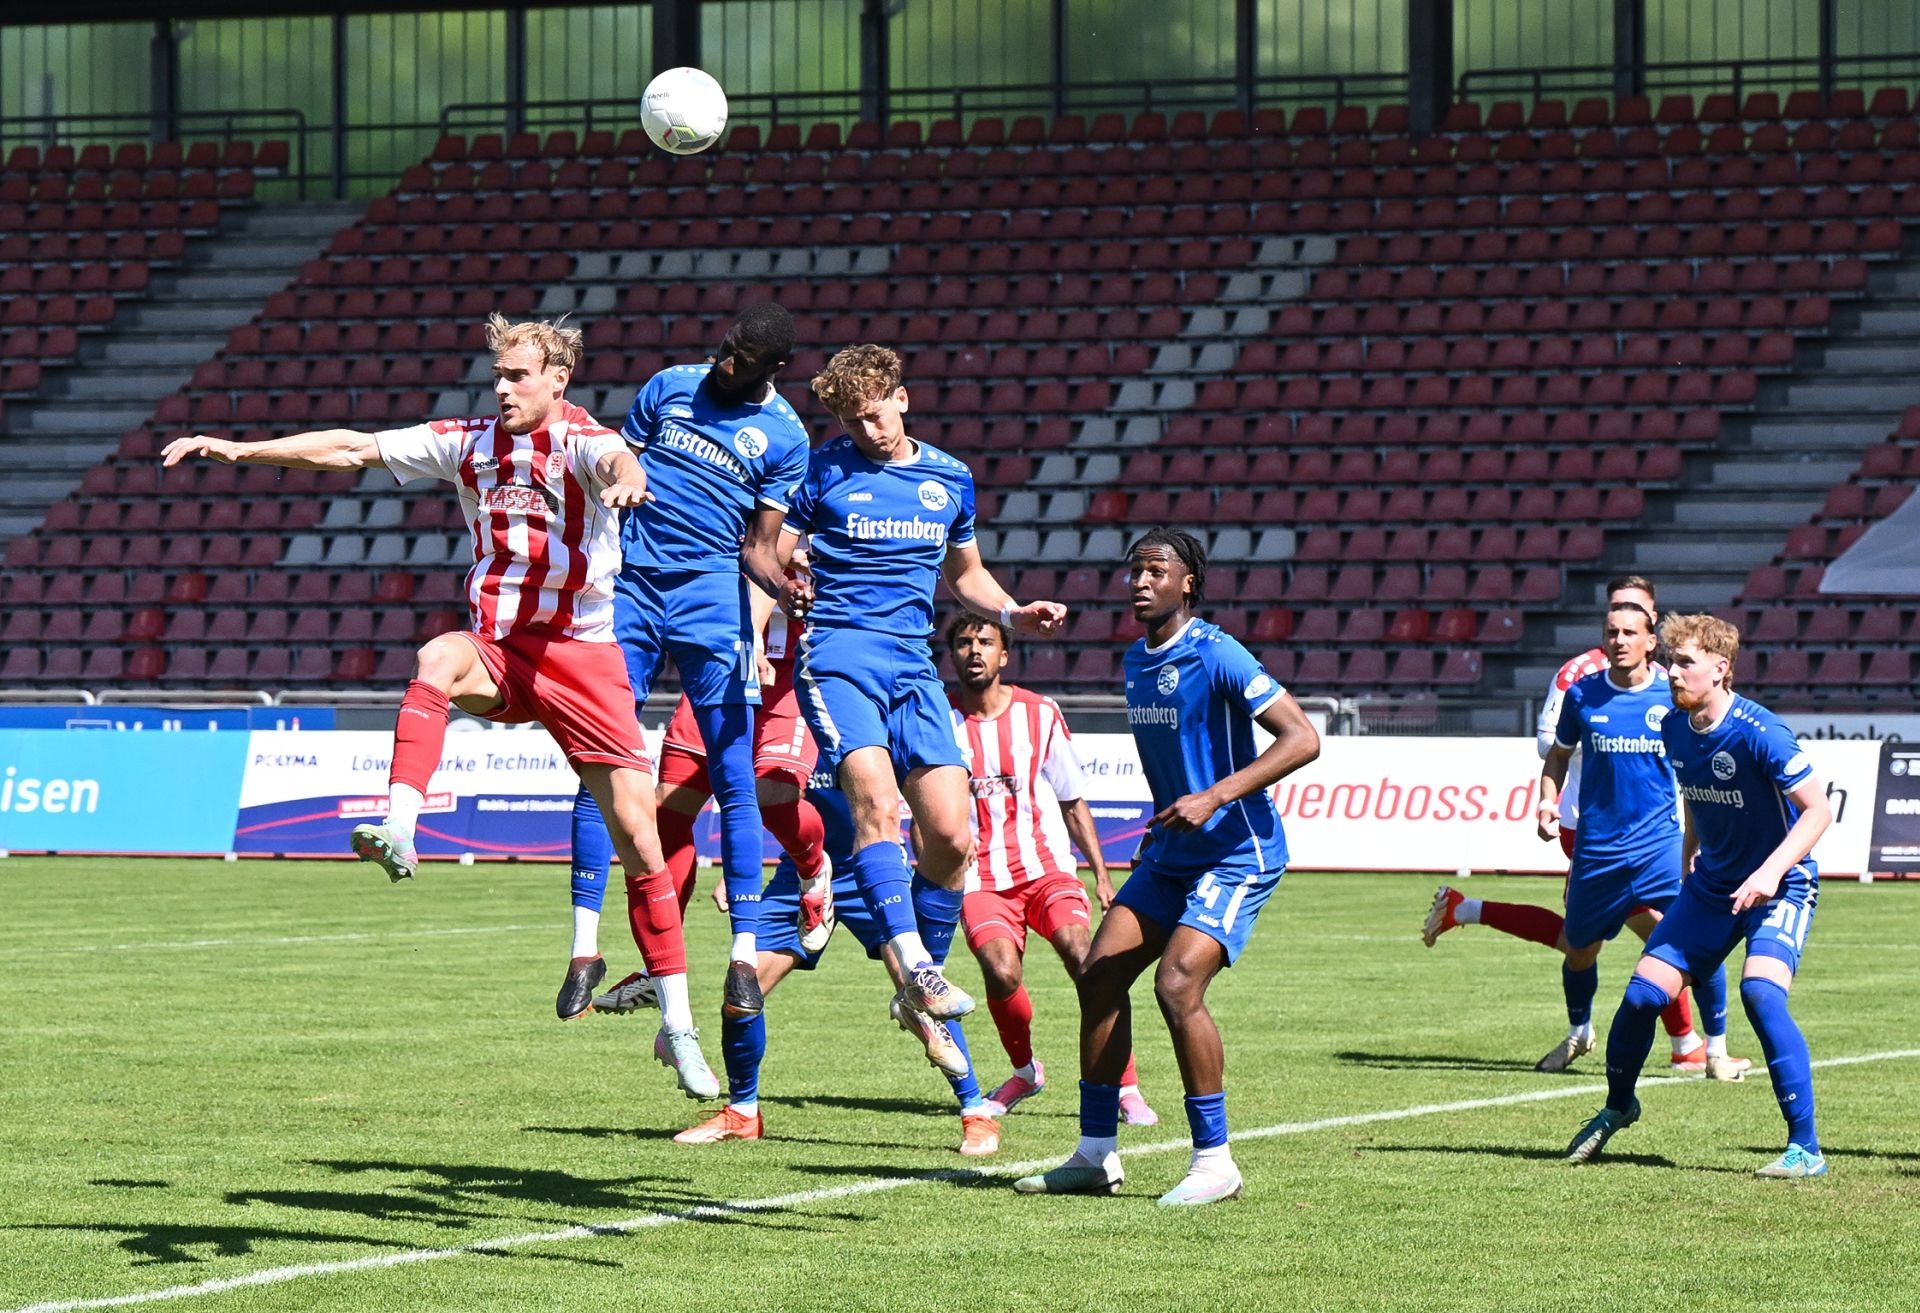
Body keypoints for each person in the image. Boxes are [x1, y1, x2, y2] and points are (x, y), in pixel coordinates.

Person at [159, 313, 718, 1099]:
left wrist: (629, 476)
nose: (503, 389)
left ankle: (679, 1027)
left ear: (557, 379)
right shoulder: (466, 442)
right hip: (502, 652)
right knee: (435, 658)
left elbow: (617, 458)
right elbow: (351, 448)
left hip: (584, 660)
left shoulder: (583, 440)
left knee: (640, 842)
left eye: (518, 376)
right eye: (498, 376)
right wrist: (242, 450)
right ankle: (399, 824)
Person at [743, 343, 1066, 1027]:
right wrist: (765, 619)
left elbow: (966, 575)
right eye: (852, 421)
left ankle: (921, 975)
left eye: (875, 414)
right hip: (838, 657)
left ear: (902, 399)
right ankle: (916, 967)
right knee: (879, 809)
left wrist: (1014, 614)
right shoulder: (821, 470)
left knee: (951, 834)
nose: (868, 430)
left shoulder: (950, 477)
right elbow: (768, 555)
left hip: (914, 667)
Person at [1015, 528, 1320, 1206]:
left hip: (1238, 849)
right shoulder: (1135, 659)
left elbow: (1303, 737)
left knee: (1177, 984)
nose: (1141, 582)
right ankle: (1096, 1154)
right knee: (1099, 976)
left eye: (1156, 570)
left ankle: (1215, 1162)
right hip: (1171, 853)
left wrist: (1214, 795)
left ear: (1189, 583)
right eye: (1135, 571)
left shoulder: (1217, 653)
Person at [564, 304, 811, 1027]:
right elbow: (618, 462)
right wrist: (613, 480)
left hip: (711, 602)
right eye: (724, 348)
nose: (724, 364)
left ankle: (742, 955)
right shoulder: (670, 384)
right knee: (602, 762)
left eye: (741, 359)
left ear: (773, 368)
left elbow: (759, 548)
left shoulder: (786, 436)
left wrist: (784, 588)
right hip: (633, 591)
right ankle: (584, 947)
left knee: (735, 776)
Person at [1422, 576, 1725, 1075]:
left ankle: (1701, 1047)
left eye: (1633, 625)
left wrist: (1699, 837)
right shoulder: (1579, 685)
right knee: (1584, 946)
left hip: (1657, 845)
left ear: (1653, 632)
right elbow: (1553, 750)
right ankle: (1644, 1038)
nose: (1620, 638)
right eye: (1613, 627)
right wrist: (1549, 800)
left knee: (1683, 940)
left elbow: (1697, 759)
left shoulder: (1675, 691)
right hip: (1589, 837)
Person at [1567, 614, 1832, 1178]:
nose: (1672, 672)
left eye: (1685, 662)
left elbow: (1818, 811)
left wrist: (1769, 873)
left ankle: (1805, 1149)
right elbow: (1696, 790)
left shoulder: (1761, 731)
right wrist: (1691, 847)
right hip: (1712, 887)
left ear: (1720, 668)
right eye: (1671, 661)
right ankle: (1619, 1106)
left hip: (1781, 886)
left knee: (1760, 993)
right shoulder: (1674, 726)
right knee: (1642, 996)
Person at [670, 767, 1003, 1157]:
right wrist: (737, 872)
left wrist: (941, 843)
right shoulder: (788, 733)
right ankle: (743, 1112)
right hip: (802, 871)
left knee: (920, 988)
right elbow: (768, 796)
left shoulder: (867, 730)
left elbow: (918, 788)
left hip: (873, 869)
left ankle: (976, 1112)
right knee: (743, 987)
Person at [944, 612, 1157, 1126]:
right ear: (951, 655)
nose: (974, 650)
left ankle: (1125, 1086)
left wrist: (1101, 875)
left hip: (1047, 870)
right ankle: (1024, 1072)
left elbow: (1072, 799)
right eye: (965, 642)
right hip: (981, 879)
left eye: (985, 641)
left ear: (1004, 654)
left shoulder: (1039, 714)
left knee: (1086, 959)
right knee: (1001, 972)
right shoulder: (940, 719)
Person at [592, 596, 835, 1014]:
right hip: (717, 665)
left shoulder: (811, 548)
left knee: (772, 798)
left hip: (788, 673)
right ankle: (659, 966)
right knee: (666, 814)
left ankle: (814, 873)